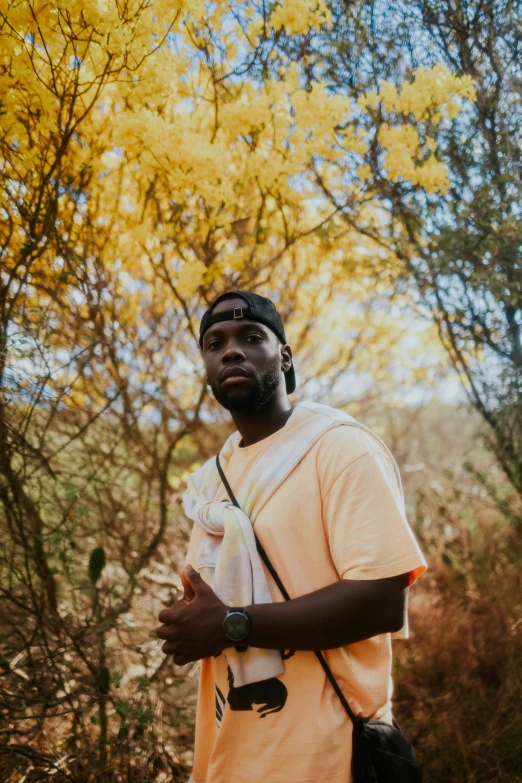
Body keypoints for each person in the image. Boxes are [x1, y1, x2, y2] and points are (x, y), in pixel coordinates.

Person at [157, 290, 426, 783]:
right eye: (214, 344)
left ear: (283, 356)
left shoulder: (339, 449)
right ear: (207, 368)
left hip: (326, 753)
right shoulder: (209, 482)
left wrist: (232, 624)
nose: (230, 351)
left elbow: (381, 601)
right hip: (231, 753)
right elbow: (217, 606)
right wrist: (190, 622)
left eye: (251, 337)